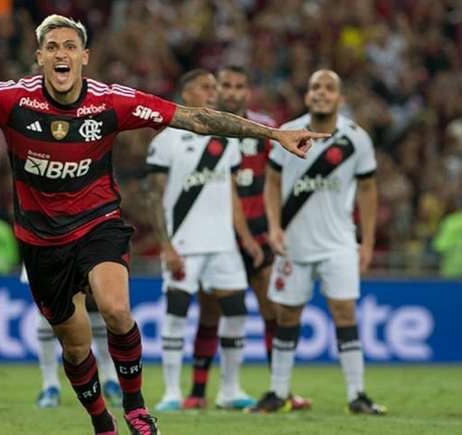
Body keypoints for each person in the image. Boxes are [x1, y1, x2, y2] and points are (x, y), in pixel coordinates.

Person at [0, 15, 325, 434]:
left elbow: (194, 117)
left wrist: (272, 134)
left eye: (70, 46)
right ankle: (102, 425)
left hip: (98, 222)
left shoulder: (112, 101)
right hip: (40, 239)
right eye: (52, 47)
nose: (61, 55)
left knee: (117, 308)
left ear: (84, 57)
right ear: (41, 57)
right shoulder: (11, 99)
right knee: (75, 347)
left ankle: (138, 410)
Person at [250, 70, 385, 415]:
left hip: (339, 242)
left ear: (340, 98)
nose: (321, 93)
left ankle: (358, 395)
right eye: (315, 87)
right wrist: (274, 228)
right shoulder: (289, 132)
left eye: (329, 88)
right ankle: (278, 392)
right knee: (287, 314)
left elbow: (368, 191)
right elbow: (272, 182)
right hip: (294, 243)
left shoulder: (357, 138)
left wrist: (367, 243)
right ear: (307, 96)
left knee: (345, 312)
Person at [145, 69, 263, 412]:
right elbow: (155, 196)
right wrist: (165, 245)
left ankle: (229, 389)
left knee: (237, 312)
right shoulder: (166, 138)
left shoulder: (226, 138)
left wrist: (246, 238)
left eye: (215, 88)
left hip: (223, 244)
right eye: (206, 88)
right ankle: (170, 392)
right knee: (176, 314)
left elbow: (230, 191)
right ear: (187, 93)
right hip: (184, 243)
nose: (214, 93)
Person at [215, 65, 312, 411]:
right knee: (215, 313)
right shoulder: (200, 126)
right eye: (226, 85)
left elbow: (282, 178)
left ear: (248, 91)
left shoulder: (267, 129)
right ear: (217, 88)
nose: (233, 92)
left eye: (240, 86)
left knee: (272, 307)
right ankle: (203, 392)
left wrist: (278, 225)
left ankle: (279, 388)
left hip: (260, 232)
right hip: (215, 232)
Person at [21, 266, 123, 409]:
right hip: (47, 248)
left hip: (86, 247)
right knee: (47, 302)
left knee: (98, 298)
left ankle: (110, 381)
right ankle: (50, 386)